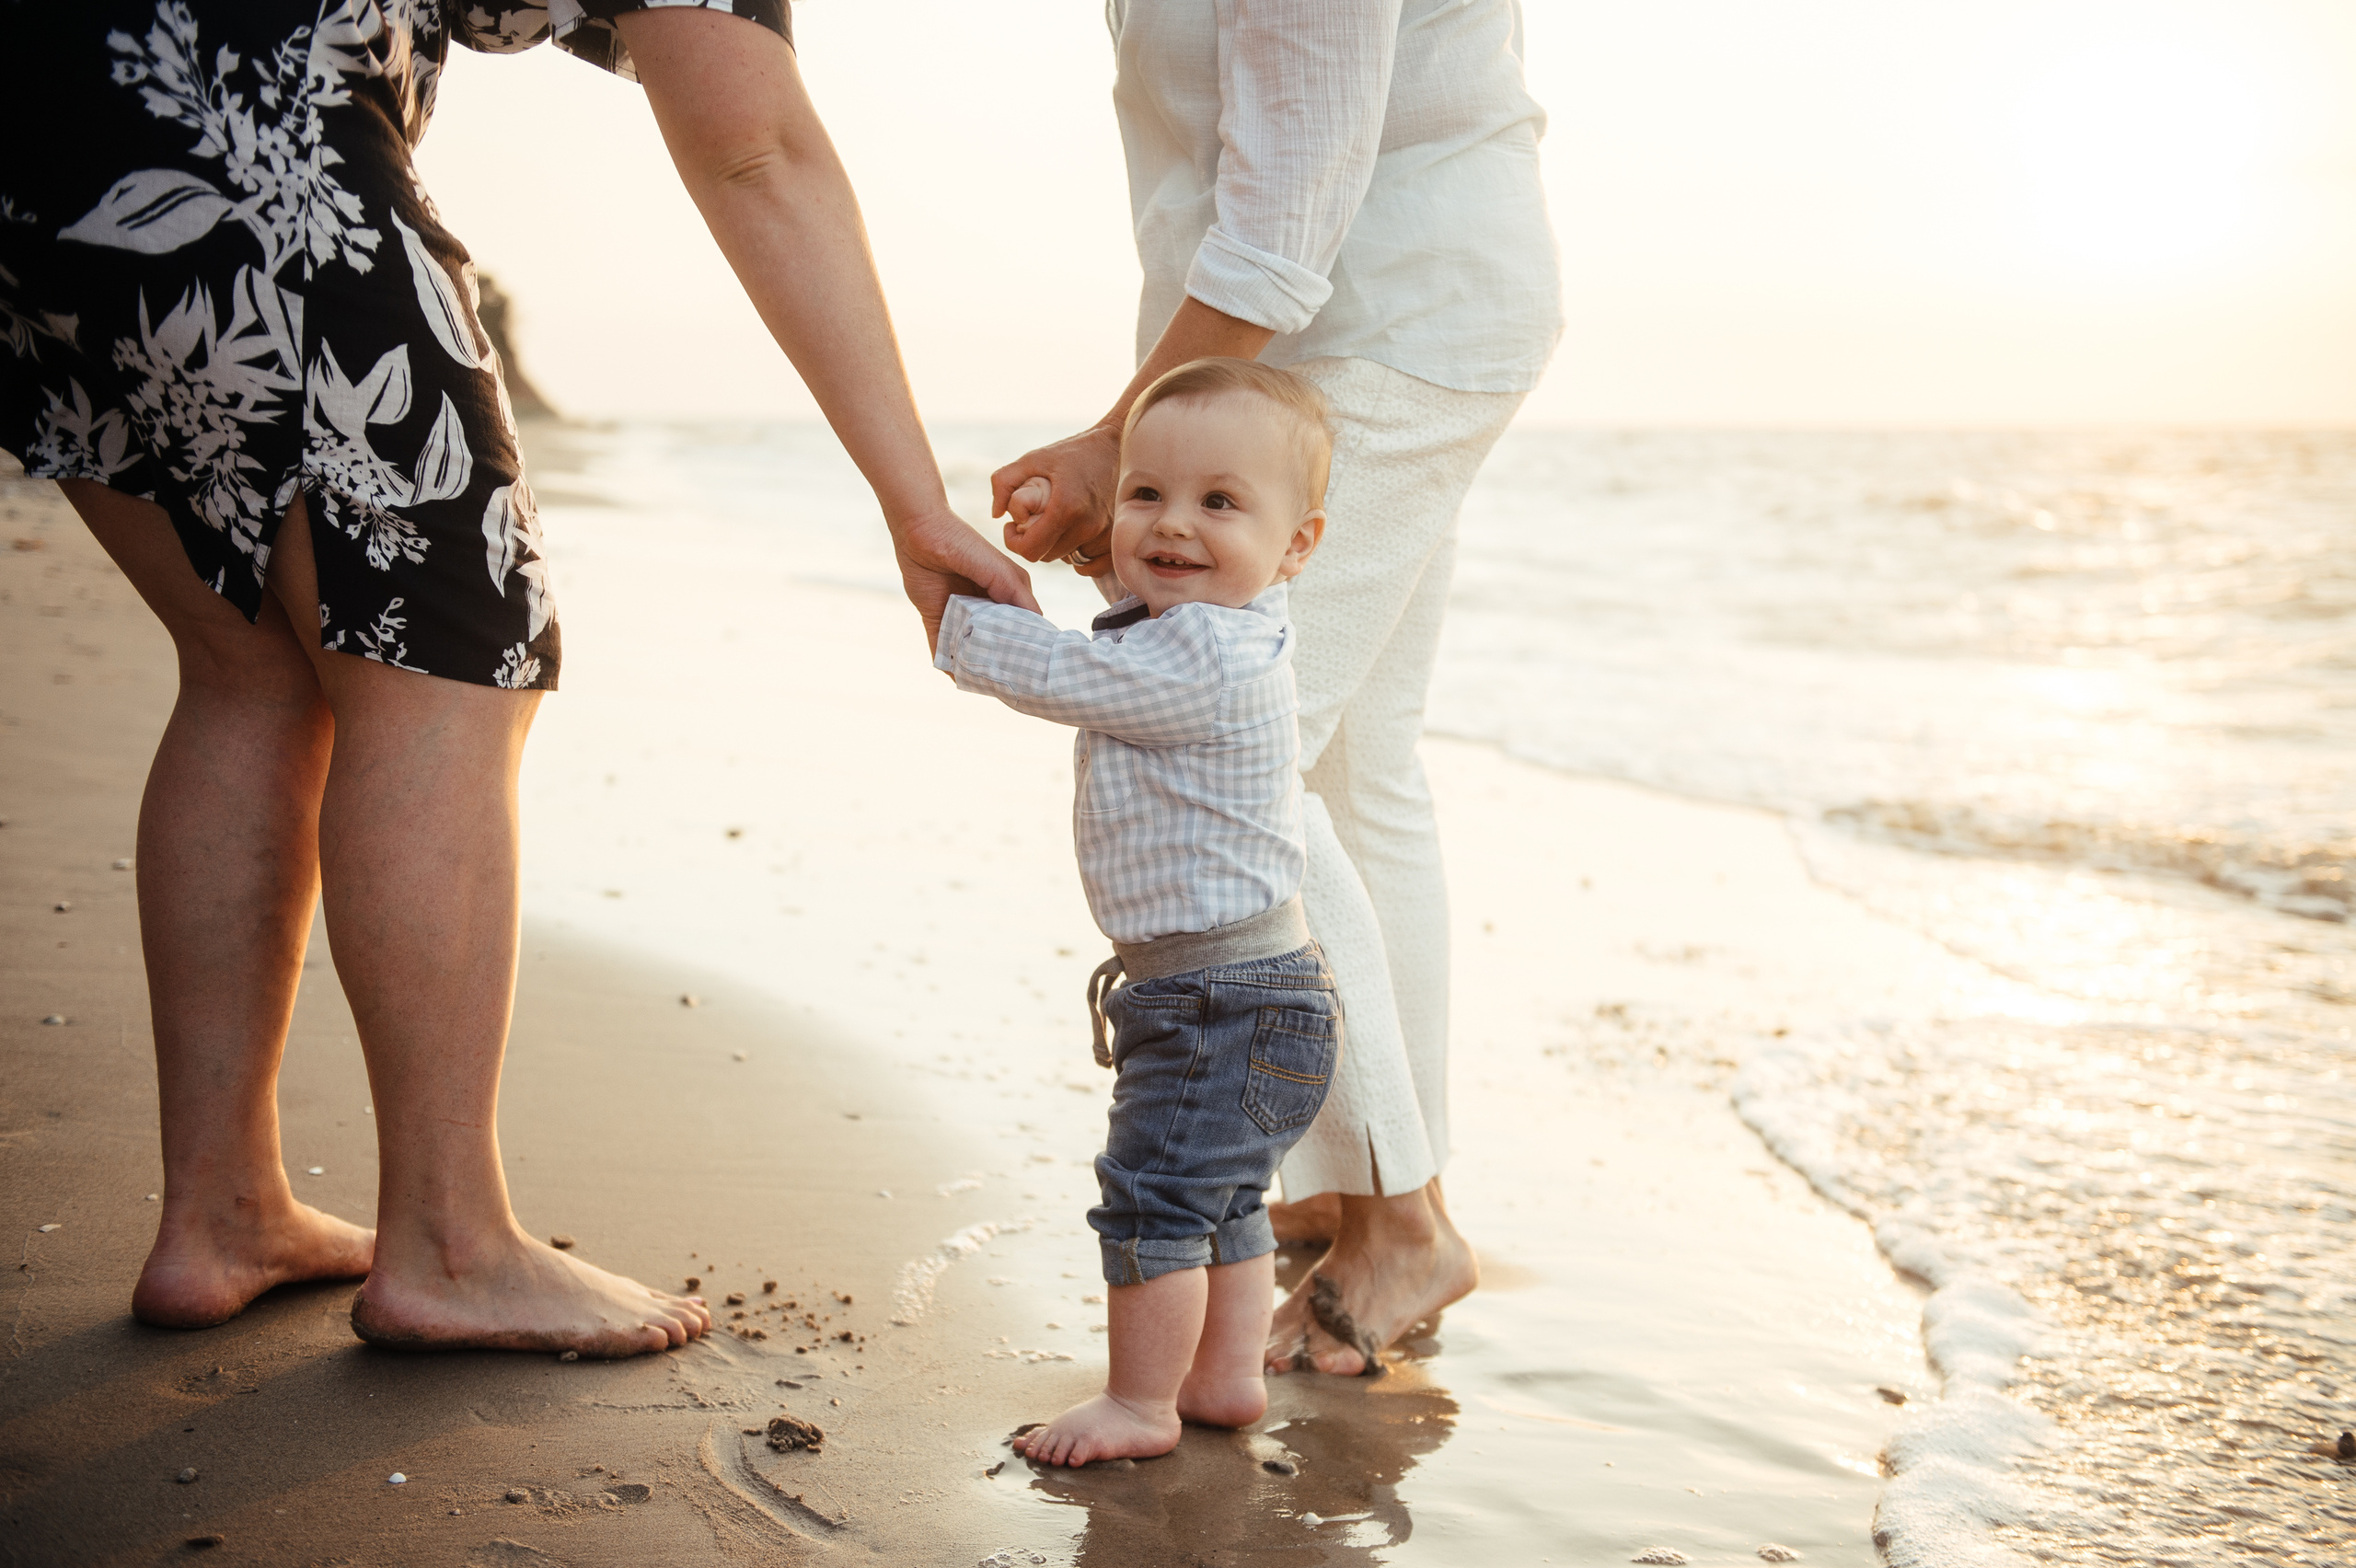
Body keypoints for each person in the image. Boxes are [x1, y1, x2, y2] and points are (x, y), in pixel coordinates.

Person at [0, 0, 1031, 1355]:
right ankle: (449, 1242)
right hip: (260, 162)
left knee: (246, 663)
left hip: (44, 176)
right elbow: (754, 145)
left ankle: (223, 1210)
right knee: (451, 662)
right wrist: (914, 498)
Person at [990, 0, 1562, 1375]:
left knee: (1262, 759)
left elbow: (1285, 221)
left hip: (1376, 325)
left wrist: (1122, 447)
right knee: (1360, 768)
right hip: (1327, 338)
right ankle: (1355, 1177)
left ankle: (1404, 1220)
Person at [939, 359, 1336, 1466]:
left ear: (1296, 544)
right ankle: (1220, 1381)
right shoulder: (1233, 627)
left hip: (1216, 996)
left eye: (1219, 502)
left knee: (1155, 1197)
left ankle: (1140, 1403)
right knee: (1224, 1201)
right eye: (1146, 494)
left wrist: (954, 615)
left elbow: (1066, 676)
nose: (1172, 525)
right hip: (1258, 989)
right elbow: (1117, 640)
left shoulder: (1205, 654)